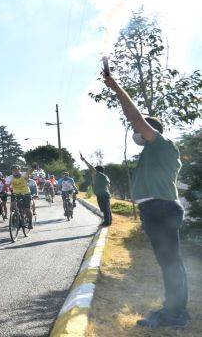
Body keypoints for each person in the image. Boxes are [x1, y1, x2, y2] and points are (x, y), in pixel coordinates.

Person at [104, 74, 188, 328]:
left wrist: (117, 89)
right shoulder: (153, 151)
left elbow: (136, 118)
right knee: (170, 262)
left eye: (138, 131)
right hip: (155, 209)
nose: (135, 134)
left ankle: (175, 315)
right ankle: (175, 310)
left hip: (160, 209)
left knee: (170, 262)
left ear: (149, 131)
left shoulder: (161, 144)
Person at [80, 153, 112, 226]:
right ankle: (108, 221)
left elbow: (91, 167)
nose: (92, 172)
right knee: (106, 208)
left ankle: (107, 222)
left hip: (102, 194)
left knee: (105, 209)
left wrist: (84, 160)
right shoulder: (104, 176)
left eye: (94, 170)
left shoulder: (98, 174)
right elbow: (108, 184)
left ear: (97, 171)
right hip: (104, 194)